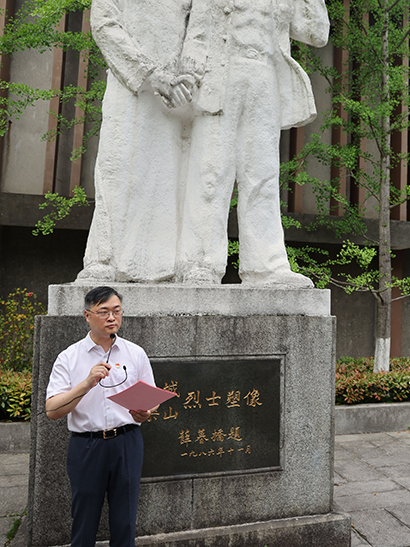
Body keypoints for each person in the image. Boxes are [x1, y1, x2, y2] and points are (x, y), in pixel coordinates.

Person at [175, 0, 329, 285]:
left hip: (264, 75)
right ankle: (200, 263)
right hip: (220, 75)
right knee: (211, 171)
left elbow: (317, 32)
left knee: (263, 175)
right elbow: (196, 35)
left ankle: (266, 266)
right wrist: (188, 77)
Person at [79, 0, 195, 282]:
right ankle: (102, 257)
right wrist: (150, 74)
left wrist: (188, 78)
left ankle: (164, 264)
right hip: (129, 88)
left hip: (176, 94)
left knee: (168, 175)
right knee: (116, 166)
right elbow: (105, 24)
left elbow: (201, 33)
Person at [45, 287, 158, 546]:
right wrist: (86, 383)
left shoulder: (135, 353)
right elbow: (52, 410)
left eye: (116, 311)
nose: (111, 318)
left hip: (127, 442)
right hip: (87, 445)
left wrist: (145, 413)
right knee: (84, 519)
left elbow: (151, 402)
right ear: (87, 315)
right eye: (103, 312)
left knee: (125, 519)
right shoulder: (69, 357)